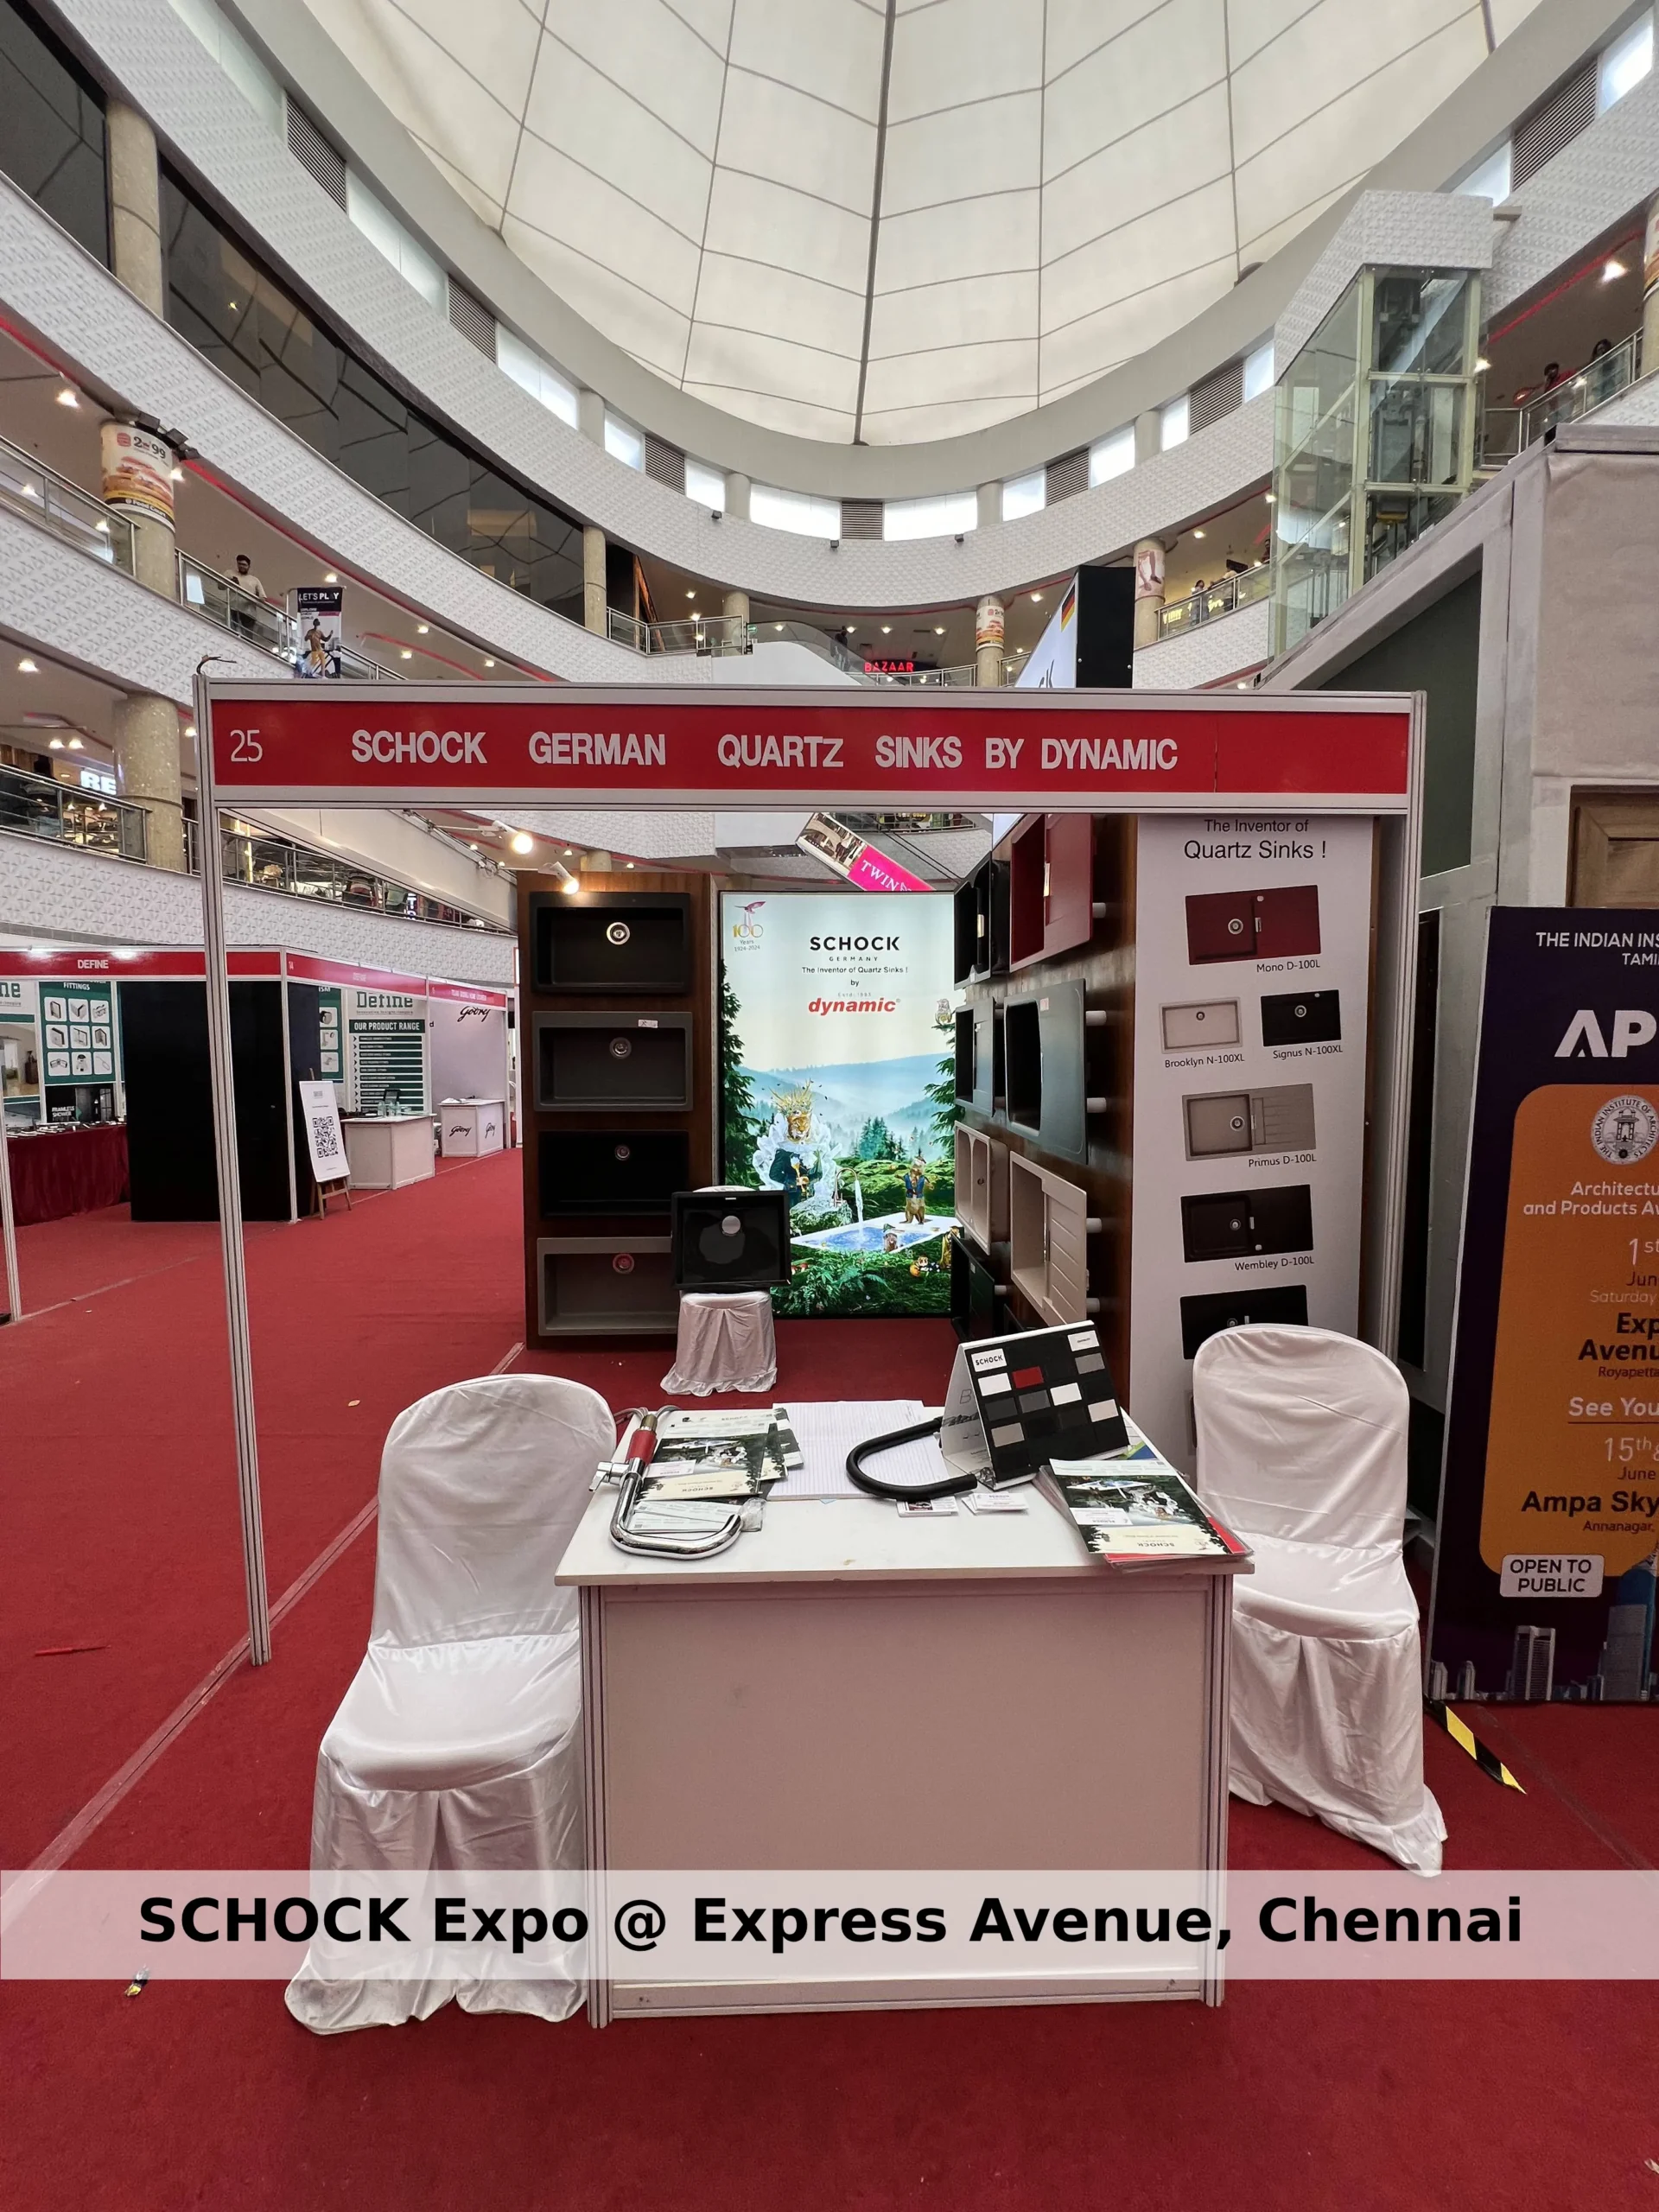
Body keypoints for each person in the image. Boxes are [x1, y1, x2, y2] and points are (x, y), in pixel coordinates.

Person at [229, 552, 266, 638]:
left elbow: (262, 598)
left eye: (244, 565)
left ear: (249, 566)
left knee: (248, 635)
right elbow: (221, 587)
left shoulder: (254, 580)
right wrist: (230, 583)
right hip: (233, 608)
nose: (242, 566)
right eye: (240, 564)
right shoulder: (230, 574)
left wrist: (252, 599)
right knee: (233, 632)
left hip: (249, 613)